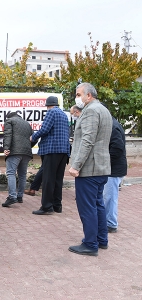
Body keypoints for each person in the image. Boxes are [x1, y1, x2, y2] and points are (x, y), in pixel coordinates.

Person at [68, 82, 112, 256]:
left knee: (87, 207)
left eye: (79, 94)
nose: (77, 97)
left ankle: (90, 243)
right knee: (97, 204)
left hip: (89, 168)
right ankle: (101, 240)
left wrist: (75, 165)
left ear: (89, 95)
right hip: (100, 167)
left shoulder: (91, 111)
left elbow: (88, 140)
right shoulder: (103, 109)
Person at [30, 96, 71, 215]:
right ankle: (57, 205)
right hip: (64, 150)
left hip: (52, 149)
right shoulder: (63, 114)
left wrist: (33, 137)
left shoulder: (51, 112)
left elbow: (44, 129)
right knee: (58, 179)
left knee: (48, 179)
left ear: (48, 105)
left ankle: (47, 206)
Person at [2, 112, 33, 206]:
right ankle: (20, 196)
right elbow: (34, 138)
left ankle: (12, 197)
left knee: (11, 173)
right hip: (27, 152)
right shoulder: (27, 123)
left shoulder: (9, 121)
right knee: (22, 175)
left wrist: (6, 148)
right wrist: (28, 146)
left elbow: (8, 134)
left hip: (14, 152)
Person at [103, 115, 127, 233]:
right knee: (108, 196)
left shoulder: (113, 126)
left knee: (110, 197)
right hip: (113, 167)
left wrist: (105, 162)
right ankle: (108, 221)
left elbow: (117, 148)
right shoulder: (111, 124)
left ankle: (111, 223)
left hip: (114, 169)